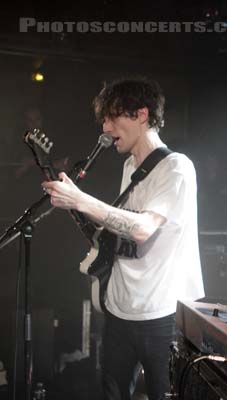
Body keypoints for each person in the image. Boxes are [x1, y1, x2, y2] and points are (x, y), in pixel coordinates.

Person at [42, 77, 205, 400]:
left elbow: (143, 228)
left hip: (161, 315)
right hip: (119, 311)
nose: (105, 128)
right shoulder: (130, 166)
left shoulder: (176, 168)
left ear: (141, 115)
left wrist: (81, 201)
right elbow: (122, 230)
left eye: (111, 117)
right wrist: (78, 210)